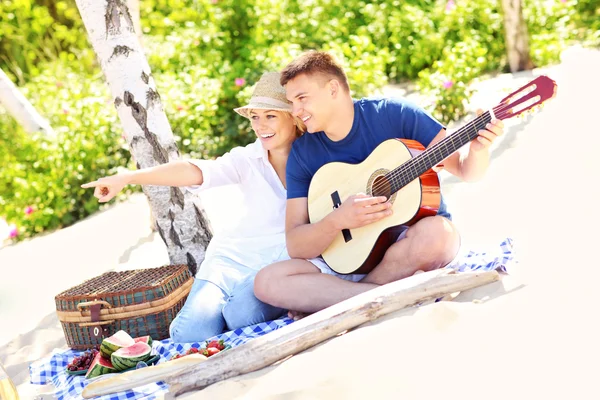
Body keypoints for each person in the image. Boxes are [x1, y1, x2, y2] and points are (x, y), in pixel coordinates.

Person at [254, 51, 505, 317]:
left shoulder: (394, 114)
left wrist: (478, 149)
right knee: (267, 282)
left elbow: (466, 170)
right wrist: (338, 220)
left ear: (333, 89)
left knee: (440, 234)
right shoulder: (304, 153)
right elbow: (296, 243)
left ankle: (344, 300)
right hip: (346, 261)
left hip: (411, 247)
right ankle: (377, 294)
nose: (296, 111)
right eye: (292, 102)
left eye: (302, 98)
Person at [82, 72, 306, 343]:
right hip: (231, 261)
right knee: (190, 334)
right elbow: (194, 171)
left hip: (276, 267)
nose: (260, 126)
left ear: (293, 117)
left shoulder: (317, 156)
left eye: (270, 116)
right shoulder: (246, 158)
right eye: (255, 117)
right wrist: (128, 178)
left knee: (241, 315)